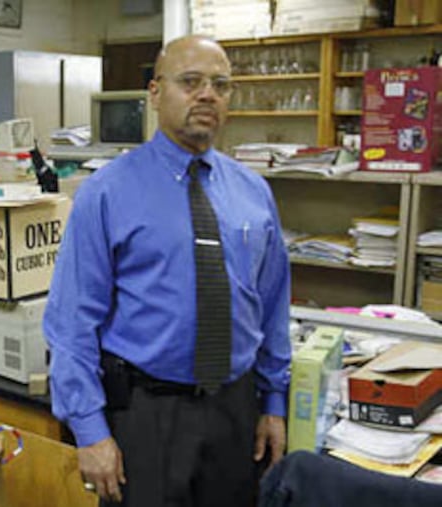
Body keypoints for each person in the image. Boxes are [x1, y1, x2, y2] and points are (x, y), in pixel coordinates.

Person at [43, 35, 291, 506]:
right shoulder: (107, 192)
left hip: (236, 413)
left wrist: (273, 402)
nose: (207, 95)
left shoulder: (254, 193)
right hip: (147, 417)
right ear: (155, 93)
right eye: (190, 82)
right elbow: (72, 323)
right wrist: (90, 430)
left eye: (221, 85)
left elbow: (273, 308)